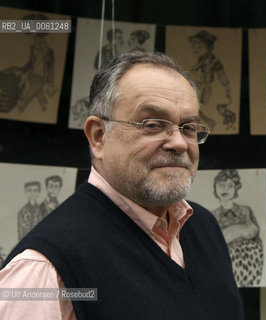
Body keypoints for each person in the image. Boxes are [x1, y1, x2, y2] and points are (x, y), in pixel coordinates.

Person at [0, 51, 244, 320]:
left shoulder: (203, 226)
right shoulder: (46, 268)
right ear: (99, 137)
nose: (178, 143)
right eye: (152, 125)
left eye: (188, 127)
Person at [212, 169, 263, 287]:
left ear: (236, 188)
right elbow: (213, 242)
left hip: (248, 260)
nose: (225, 189)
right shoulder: (212, 216)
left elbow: (254, 232)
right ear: (215, 188)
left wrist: (234, 233)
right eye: (221, 185)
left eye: (230, 185)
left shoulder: (246, 211)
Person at [188, 30, 233, 130]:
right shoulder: (201, 60)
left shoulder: (214, 62)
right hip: (201, 90)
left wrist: (227, 90)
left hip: (210, 92)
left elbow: (223, 78)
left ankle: (225, 122)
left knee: (212, 110)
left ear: (207, 46)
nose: (196, 48)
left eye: (199, 45)